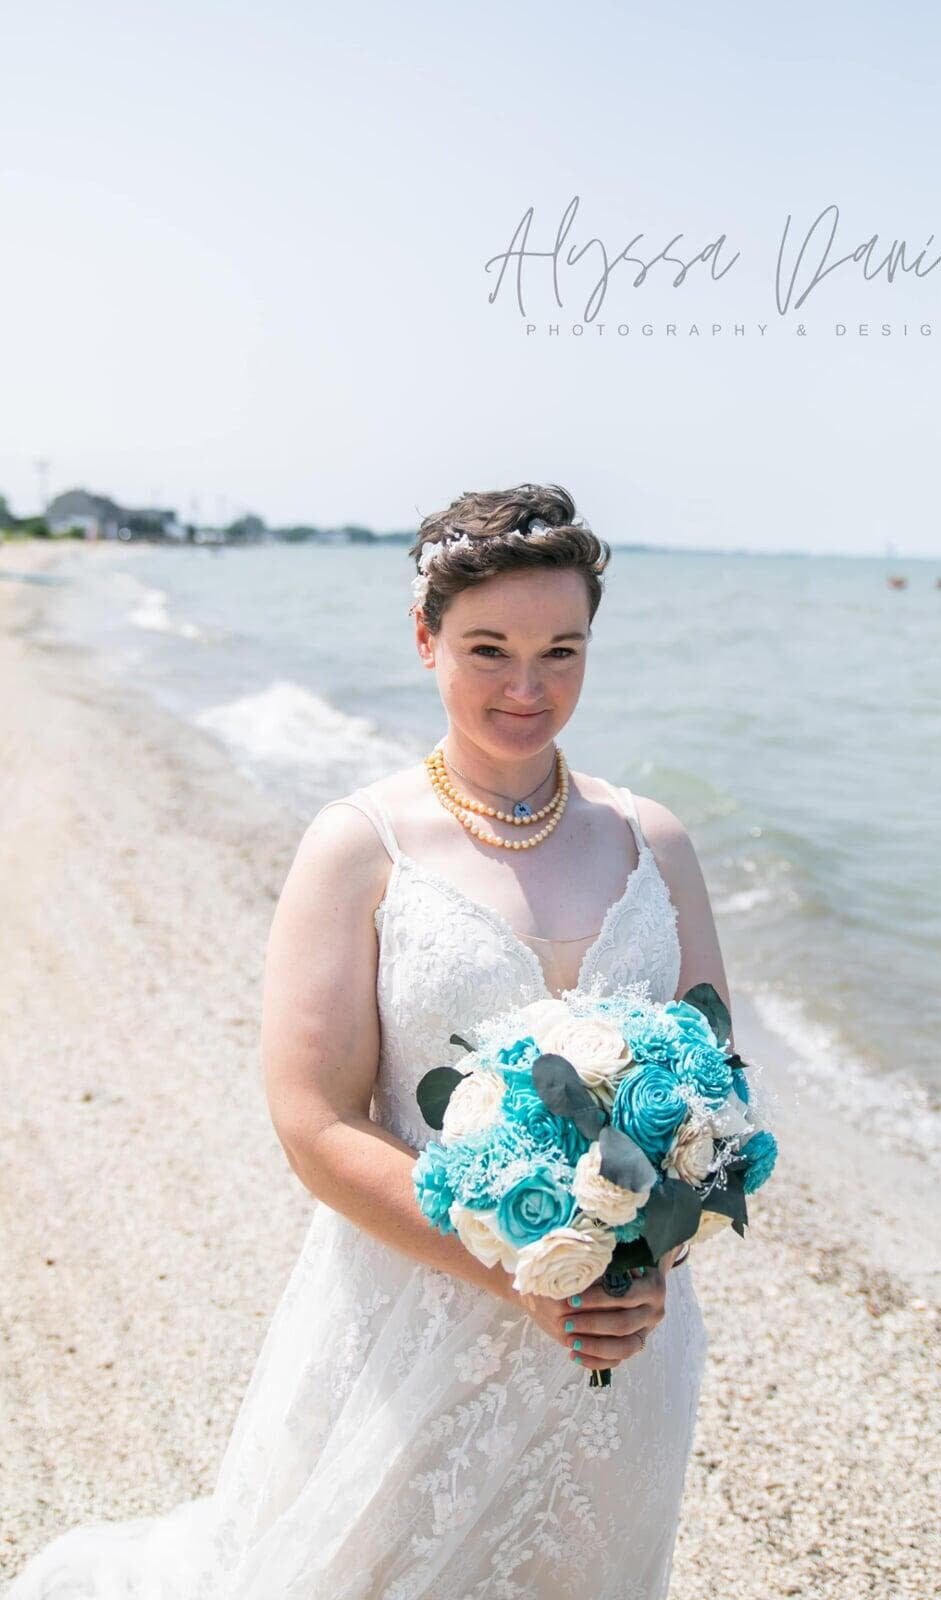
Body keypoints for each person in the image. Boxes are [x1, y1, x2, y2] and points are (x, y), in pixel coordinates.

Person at [5, 482, 732, 1600]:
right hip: (410, 1322)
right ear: (422, 636)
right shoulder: (360, 845)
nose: (527, 688)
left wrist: (653, 1262)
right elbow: (311, 1120)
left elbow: (712, 1101)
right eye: (487, 647)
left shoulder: (653, 841)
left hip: (619, 1345)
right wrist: (519, 1270)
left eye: (561, 650)